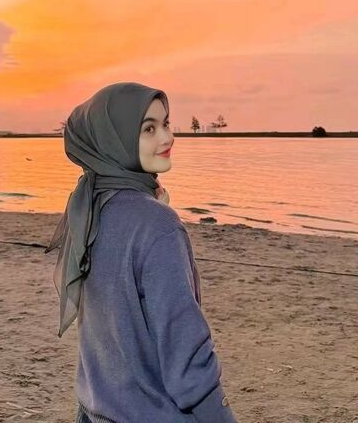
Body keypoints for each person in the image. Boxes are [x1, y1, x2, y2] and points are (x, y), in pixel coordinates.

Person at [44, 82, 237, 423]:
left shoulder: (88, 209)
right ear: (115, 138)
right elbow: (185, 353)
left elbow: (105, 333)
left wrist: (152, 208)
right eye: (149, 129)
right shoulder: (157, 226)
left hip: (98, 410)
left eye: (166, 123)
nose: (167, 138)